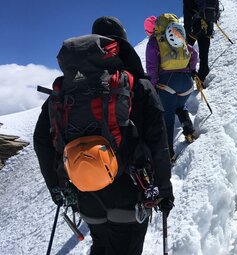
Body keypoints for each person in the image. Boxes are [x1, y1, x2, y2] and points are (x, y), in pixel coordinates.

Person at [33, 16, 174, 255]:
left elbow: (41, 141)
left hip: (86, 192)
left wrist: (56, 187)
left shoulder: (65, 90)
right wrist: (164, 189)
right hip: (130, 192)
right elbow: (158, 142)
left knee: (100, 245)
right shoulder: (136, 85)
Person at [146, 14, 199, 160]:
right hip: (186, 84)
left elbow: (151, 67)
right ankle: (189, 131)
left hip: (166, 84)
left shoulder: (154, 42)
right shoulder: (179, 38)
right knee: (180, 107)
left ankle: (168, 154)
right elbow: (193, 54)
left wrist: (153, 85)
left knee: (167, 118)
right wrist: (190, 71)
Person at [183, 0, 218, 86]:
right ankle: (201, 78)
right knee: (204, 54)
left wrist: (187, 29)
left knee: (185, 51)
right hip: (208, 27)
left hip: (195, 27)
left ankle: (188, 73)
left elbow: (187, 11)